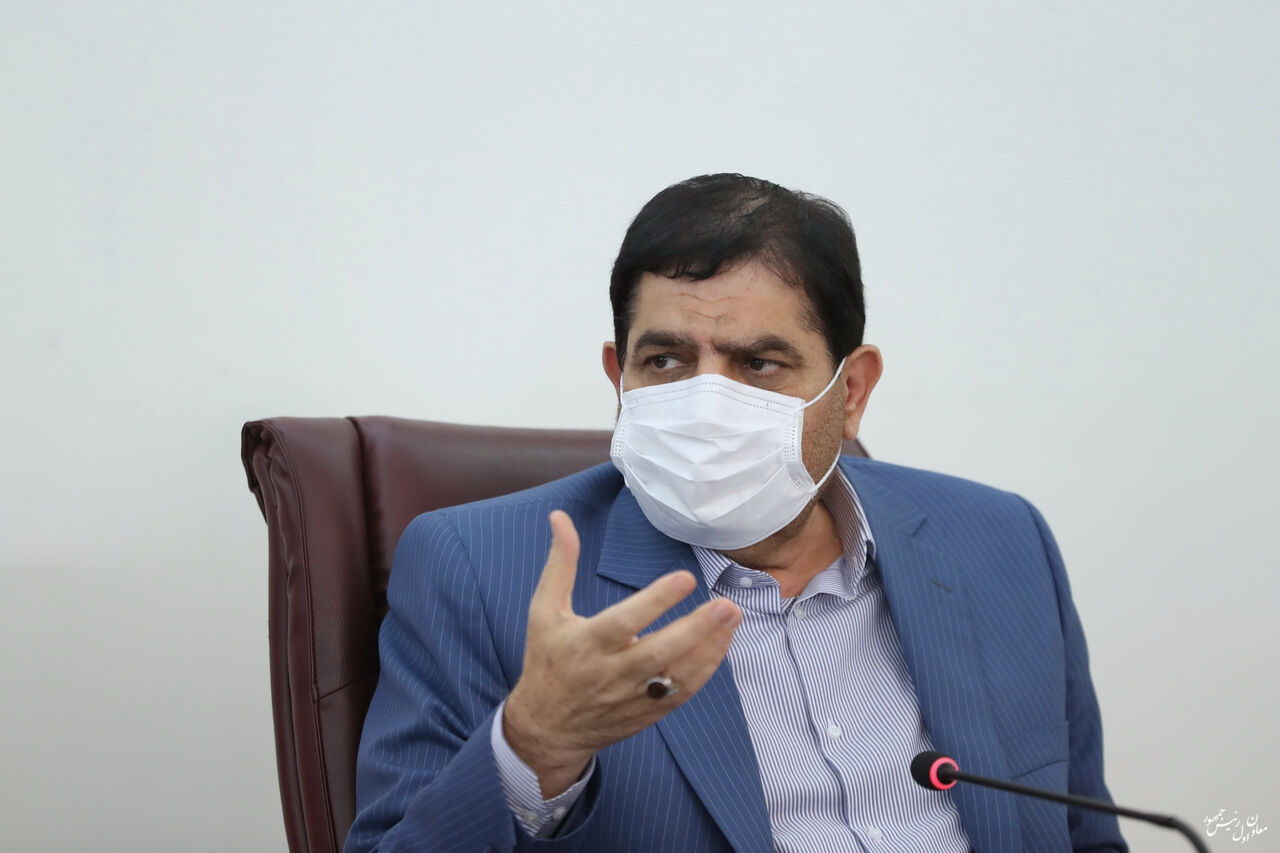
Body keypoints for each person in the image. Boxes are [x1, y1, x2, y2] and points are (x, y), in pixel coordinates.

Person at [345, 174, 1127, 853]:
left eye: (759, 363)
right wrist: (535, 744)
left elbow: (1085, 834)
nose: (707, 403)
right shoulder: (477, 569)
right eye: (666, 361)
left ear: (852, 391)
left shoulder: (1000, 539)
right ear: (619, 377)